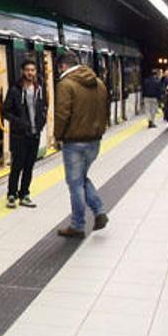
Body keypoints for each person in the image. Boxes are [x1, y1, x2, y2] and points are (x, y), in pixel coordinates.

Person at [54, 52, 109, 238]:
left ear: (63, 66)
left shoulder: (65, 85)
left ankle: (77, 225)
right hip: (94, 141)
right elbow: (105, 110)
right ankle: (99, 212)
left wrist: (58, 136)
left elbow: (62, 114)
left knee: (75, 183)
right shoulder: (99, 83)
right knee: (81, 178)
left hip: (74, 142)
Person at [3, 59, 47, 209]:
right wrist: (20, 123)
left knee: (29, 166)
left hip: (35, 134)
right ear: (23, 71)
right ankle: (11, 194)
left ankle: (25, 194)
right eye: (28, 70)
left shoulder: (39, 89)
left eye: (33, 70)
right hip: (19, 136)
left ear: (35, 72)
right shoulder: (15, 90)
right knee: (17, 166)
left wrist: (41, 123)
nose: (30, 73)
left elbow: (43, 108)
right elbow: (5, 111)